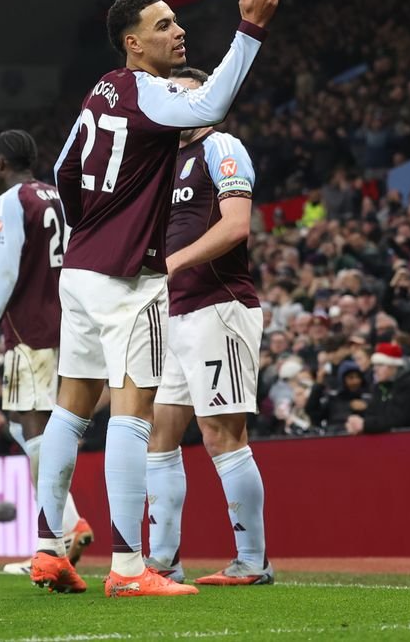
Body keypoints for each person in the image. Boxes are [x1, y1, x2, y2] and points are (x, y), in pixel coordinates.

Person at [33, 0, 279, 598]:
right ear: (132, 43)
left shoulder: (101, 91)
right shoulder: (155, 95)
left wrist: (93, 228)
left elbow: (62, 171)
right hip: (129, 278)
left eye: (177, 20)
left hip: (88, 267)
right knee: (133, 412)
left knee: (73, 403)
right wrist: (250, 28)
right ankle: (128, 565)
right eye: (163, 25)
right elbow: (215, 99)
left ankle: (47, 545)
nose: (179, 30)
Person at [143, 68, 271, 587]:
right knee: (160, 434)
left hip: (220, 306)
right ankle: (163, 560)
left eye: (182, 91)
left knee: (223, 434)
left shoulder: (223, 146)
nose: (172, 99)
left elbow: (237, 224)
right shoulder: (164, 162)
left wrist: (172, 263)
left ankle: (252, 560)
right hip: (175, 313)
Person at [0, 129, 92, 576]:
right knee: (34, 428)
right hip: (70, 322)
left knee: (31, 424)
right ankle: (66, 523)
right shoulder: (59, 197)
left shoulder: (9, 201)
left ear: (1, 163)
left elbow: (4, 272)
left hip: (30, 327)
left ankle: (56, 537)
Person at [344, 343, 410, 434]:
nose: (375, 369)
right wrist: (357, 422)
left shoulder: (409, 387)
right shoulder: (379, 388)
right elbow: (372, 414)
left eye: (380, 365)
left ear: (394, 366)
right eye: (375, 365)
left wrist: (365, 424)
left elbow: (397, 420)